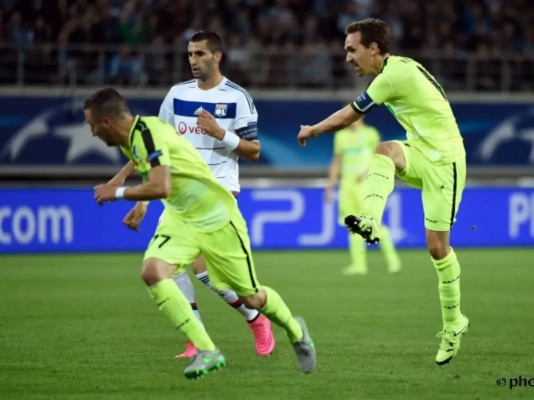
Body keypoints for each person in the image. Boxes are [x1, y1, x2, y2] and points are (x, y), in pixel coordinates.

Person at [87, 87, 316, 378]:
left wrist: (118, 192)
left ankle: (297, 333)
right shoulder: (133, 139)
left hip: (216, 217)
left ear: (106, 122)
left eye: (92, 125)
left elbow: (161, 186)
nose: (92, 132)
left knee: (252, 298)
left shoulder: (148, 133)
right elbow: (152, 176)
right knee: (153, 271)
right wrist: (141, 204)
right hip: (181, 219)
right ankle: (207, 350)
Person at [297, 18, 469, 365]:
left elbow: (349, 115)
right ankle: (370, 220)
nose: (348, 57)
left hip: (446, 162)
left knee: (438, 249)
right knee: (386, 150)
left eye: (352, 49)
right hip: (421, 151)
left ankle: (454, 323)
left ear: (373, 48)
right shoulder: (400, 68)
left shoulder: (392, 76)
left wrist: (313, 130)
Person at [159, 30, 273, 359]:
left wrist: (220, 132)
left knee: (202, 269)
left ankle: (256, 318)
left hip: (217, 190)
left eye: (200, 54)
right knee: (168, 267)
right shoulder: (177, 95)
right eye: (190, 54)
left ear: (217, 56)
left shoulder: (237, 97)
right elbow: (159, 143)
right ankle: (199, 339)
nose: (193, 60)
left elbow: (254, 151)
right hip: (180, 193)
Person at [325, 117, 401, 275]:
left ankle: (393, 261)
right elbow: (336, 162)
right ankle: (358, 265)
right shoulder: (341, 136)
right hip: (347, 188)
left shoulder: (371, 134)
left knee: (374, 223)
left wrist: (367, 172)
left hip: (365, 186)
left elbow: (381, 158)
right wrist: (330, 187)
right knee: (352, 225)